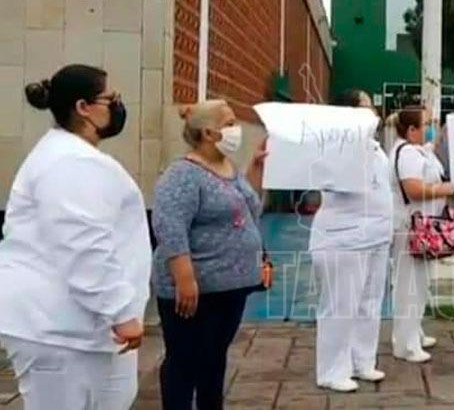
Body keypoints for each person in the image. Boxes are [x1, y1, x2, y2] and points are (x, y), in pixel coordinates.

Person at [0, 64, 151, 409]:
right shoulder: (68, 161)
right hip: (58, 331)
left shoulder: (73, 156)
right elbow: (83, 243)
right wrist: (120, 311)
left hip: (82, 329)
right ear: (83, 107)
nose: (117, 106)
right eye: (110, 99)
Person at [152, 99, 270, 409]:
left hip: (230, 289)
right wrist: (185, 278)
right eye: (229, 123)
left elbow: (248, 209)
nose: (236, 129)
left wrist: (256, 168)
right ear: (207, 133)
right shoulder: (183, 175)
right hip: (196, 293)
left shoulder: (228, 167)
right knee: (184, 362)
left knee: (214, 360)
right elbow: (169, 227)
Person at [311, 89, 392, 392]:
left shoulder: (374, 147)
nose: (374, 112)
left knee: (369, 302)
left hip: (376, 235)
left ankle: (362, 361)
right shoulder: (335, 145)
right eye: (366, 106)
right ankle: (332, 370)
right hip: (344, 238)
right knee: (340, 305)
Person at [390, 105, 454, 363]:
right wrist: (444, 189)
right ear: (411, 130)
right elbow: (414, 189)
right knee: (409, 286)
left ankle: (413, 332)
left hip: (424, 227)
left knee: (419, 284)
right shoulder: (407, 153)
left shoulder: (418, 150)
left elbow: (432, 147)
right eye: (426, 124)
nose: (430, 128)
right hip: (410, 228)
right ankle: (406, 344)